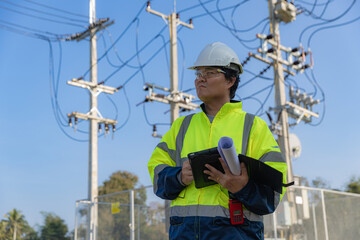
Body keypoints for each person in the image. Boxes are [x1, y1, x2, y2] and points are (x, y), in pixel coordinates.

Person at [148, 42, 288, 239]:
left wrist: (243, 187)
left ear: (230, 80)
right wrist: (180, 175)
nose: (200, 79)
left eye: (210, 72)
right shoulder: (181, 126)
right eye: (198, 74)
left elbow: (273, 193)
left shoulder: (253, 126)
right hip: (184, 233)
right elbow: (156, 174)